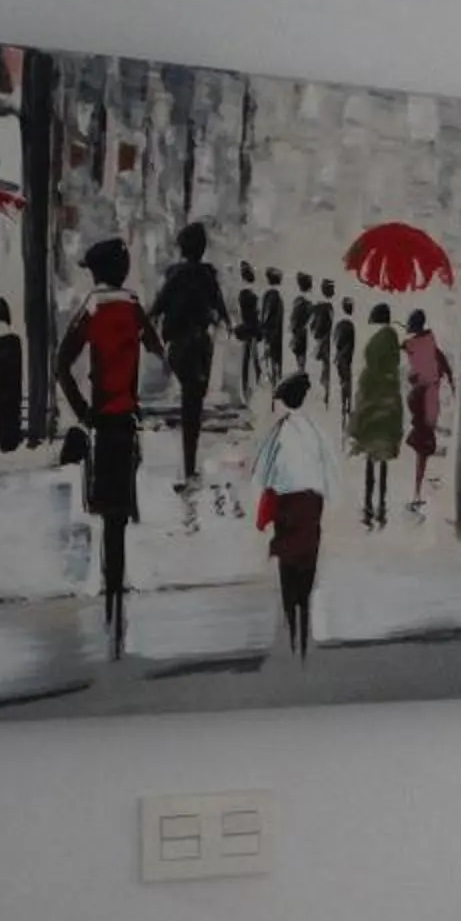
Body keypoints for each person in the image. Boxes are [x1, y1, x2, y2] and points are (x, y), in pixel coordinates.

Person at [57, 238, 149, 653]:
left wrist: (82, 411)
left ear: (97, 272)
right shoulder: (132, 307)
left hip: (101, 421)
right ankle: (117, 588)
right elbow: (154, 346)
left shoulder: (93, 307)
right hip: (127, 420)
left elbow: (62, 363)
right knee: (119, 515)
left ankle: (110, 590)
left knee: (106, 507)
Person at [252, 371, 333, 658]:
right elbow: (329, 470)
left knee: (288, 561)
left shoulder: (279, 433)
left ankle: (290, 619)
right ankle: (304, 612)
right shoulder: (314, 432)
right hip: (311, 504)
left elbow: (262, 473)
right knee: (308, 557)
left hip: (287, 505)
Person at [150, 222, 232, 489]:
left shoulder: (175, 275)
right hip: (200, 344)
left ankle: (188, 465)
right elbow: (220, 310)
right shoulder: (208, 276)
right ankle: (189, 465)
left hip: (179, 346)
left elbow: (157, 307)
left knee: (189, 401)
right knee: (193, 404)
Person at [351, 302, 404, 530]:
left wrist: (355, 424)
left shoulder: (369, 375)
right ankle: (381, 509)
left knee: (371, 463)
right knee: (383, 464)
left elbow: (362, 400)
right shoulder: (392, 374)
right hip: (388, 415)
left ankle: (368, 509)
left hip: (373, 416)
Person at [401, 307, 456, 514]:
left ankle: (417, 492)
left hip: (420, 402)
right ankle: (417, 490)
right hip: (429, 403)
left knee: (422, 449)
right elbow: (444, 367)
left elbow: (413, 373)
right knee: (423, 448)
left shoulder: (413, 345)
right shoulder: (431, 346)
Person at [0, 297, 25, 453]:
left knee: (3, 416)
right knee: (12, 413)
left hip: (0, 386)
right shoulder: (16, 340)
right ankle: (13, 441)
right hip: (13, 386)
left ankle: (5, 443)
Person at [236, 262, 262, 394]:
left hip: (247, 326)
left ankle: (246, 389)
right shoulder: (253, 293)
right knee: (255, 359)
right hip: (253, 327)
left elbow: (242, 312)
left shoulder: (243, 293)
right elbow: (256, 312)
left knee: (247, 360)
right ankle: (257, 386)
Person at [332, 295, 358, 429]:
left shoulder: (339, 324)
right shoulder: (350, 325)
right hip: (345, 359)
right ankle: (346, 408)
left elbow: (336, 341)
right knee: (347, 382)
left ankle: (345, 408)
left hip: (340, 358)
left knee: (344, 382)